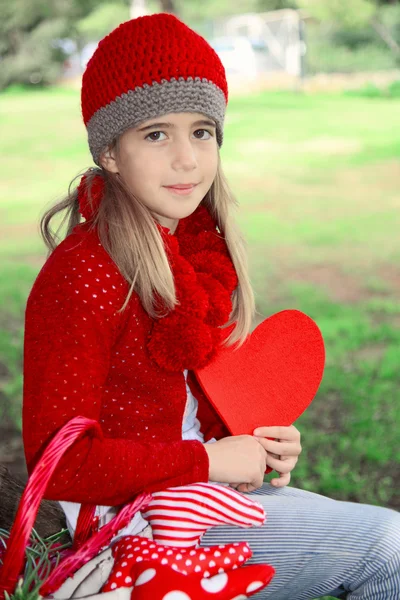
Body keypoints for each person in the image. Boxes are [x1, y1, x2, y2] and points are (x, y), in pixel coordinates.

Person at [22, 12, 400, 600]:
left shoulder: (197, 252)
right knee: (387, 548)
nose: (187, 159)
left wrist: (250, 442)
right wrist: (210, 460)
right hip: (132, 525)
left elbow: (183, 410)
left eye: (202, 132)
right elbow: (60, 465)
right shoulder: (85, 272)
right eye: (156, 134)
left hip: (198, 495)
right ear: (111, 152)